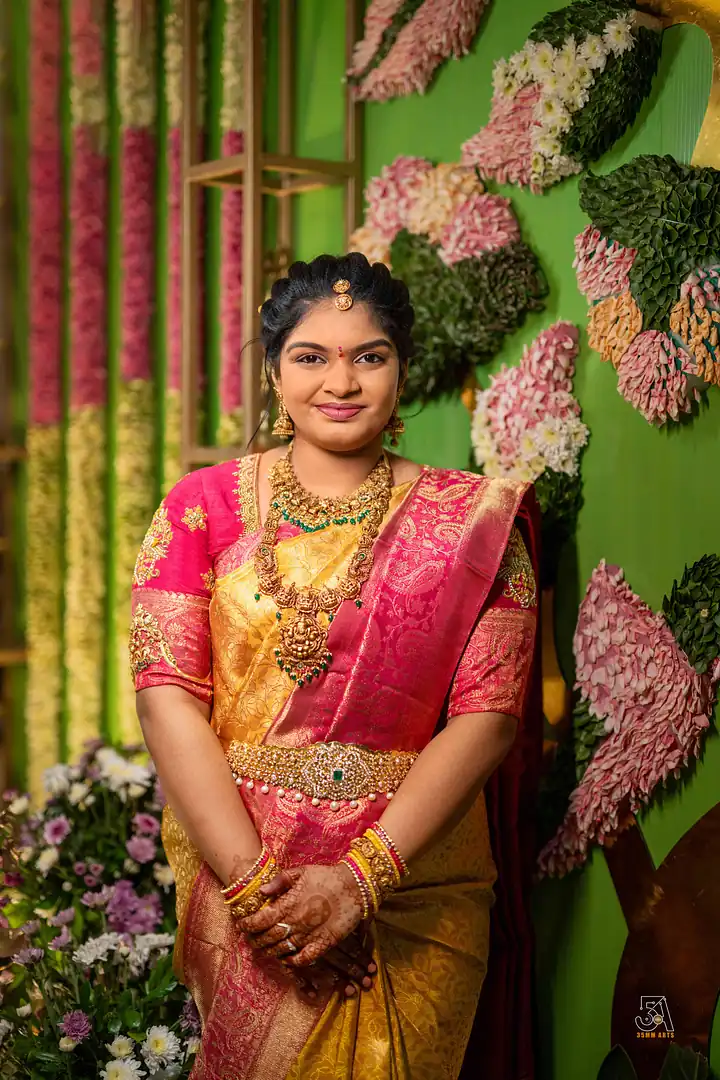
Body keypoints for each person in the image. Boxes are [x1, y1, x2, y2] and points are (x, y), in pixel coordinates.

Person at [131, 252, 541, 1080]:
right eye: (311, 356)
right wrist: (260, 899)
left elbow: (490, 717)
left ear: (402, 370)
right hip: (245, 873)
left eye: (370, 356)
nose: (341, 382)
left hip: (415, 882)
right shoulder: (199, 508)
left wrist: (358, 883)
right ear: (274, 374)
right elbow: (166, 698)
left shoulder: (476, 521)